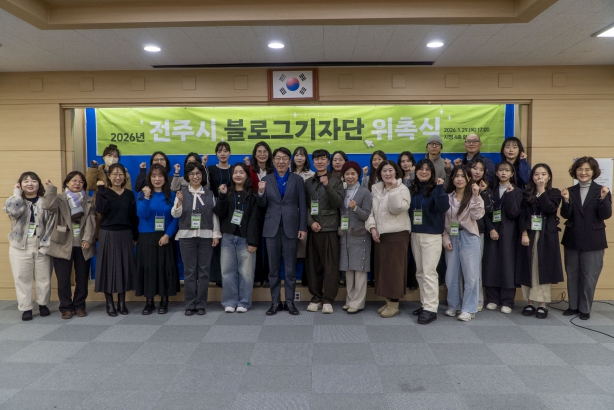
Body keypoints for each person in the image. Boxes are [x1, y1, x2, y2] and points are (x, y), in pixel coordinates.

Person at [257, 147, 307, 316]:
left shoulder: (297, 180)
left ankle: (290, 302)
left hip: (291, 228)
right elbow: (261, 205)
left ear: (289, 161)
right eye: (278, 158)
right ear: (273, 161)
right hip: (271, 229)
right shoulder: (266, 179)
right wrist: (260, 192)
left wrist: (302, 227)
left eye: (284, 158)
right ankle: (275, 302)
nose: (281, 161)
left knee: (291, 268)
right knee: (273, 269)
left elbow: (303, 205)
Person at [560, 156, 612, 320]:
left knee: (589, 276)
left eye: (587, 169)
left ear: (593, 172)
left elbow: (605, 214)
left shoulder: (602, 190)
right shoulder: (570, 190)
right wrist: (566, 201)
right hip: (572, 238)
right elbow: (565, 214)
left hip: (594, 239)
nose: (583, 172)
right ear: (575, 171)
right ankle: (573, 306)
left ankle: (585, 308)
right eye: (580, 169)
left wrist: (603, 198)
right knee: (572, 273)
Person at [43, 172, 96, 319]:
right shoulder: (59, 198)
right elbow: (48, 205)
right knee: (63, 279)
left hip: (83, 245)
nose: (77, 184)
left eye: (81, 182)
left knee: (82, 278)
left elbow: (91, 221)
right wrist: (51, 189)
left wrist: (88, 239)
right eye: (74, 181)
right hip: (62, 243)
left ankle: (79, 306)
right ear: (67, 183)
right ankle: (66, 307)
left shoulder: (88, 200)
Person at [172, 162, 221, 316]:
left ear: (202, 175)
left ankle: (201, 304)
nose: (195, 176)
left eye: (198, 173)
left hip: (206, 236)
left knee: (204, 271)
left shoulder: (209, 194)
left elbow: (214, 216)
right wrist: (180, 202)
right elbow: (175, 214)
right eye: (192, 174)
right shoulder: (181, 193)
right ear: (187, 176)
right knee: (189, 271)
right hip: (186, 237)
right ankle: (189, 304)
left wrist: (215, 234)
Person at [4, 172, 55, 321]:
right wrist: (16, 194)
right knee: (22, 278)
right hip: (20, 246)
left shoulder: (45, 202)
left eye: (33, 181)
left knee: (44, 277)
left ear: (39, 184)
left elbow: (51, 224)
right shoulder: (16, 200)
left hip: (41, 243)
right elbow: (13, 212)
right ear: (20, 185)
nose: (30, 184)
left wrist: (46, 244)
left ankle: (43, 304)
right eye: (26, 181)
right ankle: (26, 308)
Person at [516, 164, 563, 319]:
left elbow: (549, 208)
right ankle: (529, 302)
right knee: (529, 267)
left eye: (543, 174)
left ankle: (542, 304)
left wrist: (542, 190)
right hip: (529, 234)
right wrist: (524, 233)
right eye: (536, 174)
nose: (539, 177)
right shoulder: (526, 193)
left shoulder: (554, 193)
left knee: (543, 269)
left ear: (549, 177)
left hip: (546, 236)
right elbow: (522, 215)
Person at [214, 163, 262, 313]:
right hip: (228, 237)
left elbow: (255, 220)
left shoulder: (253, 195)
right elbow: (219, 213)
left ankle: (244, 302)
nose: (238, 175)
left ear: (247, 175)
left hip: (246, 238)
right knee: (227, 271)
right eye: (235, 172)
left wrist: (253, 241)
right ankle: (229, 302)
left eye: (241, 172)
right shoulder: (227, 193)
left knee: (246, 273)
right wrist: (222, 196)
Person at [365, 160, 411, 318]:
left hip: (397, 235)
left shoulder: (402, 189)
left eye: (391, 170)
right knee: (383, 270)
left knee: (394, 270)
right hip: (380, 234)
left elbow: (397, 208)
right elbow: (370, 211)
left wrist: (393, 189)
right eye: (384, 170)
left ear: (396, 172)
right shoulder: (376, 189)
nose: (387, 173)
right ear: (379, 173)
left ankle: (394, 304)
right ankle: (388, 301)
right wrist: (372, 228)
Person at [95, 163, 139, 317]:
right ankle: (109, 303)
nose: (118, 177)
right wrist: (101, 190)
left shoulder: (129, 194)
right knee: (107, 269)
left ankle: (122, 302)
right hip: (108, 234)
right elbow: (100, 209)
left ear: (124, 176)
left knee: (123, 268)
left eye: (121, 174)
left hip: (125, 234)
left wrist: (135, 235)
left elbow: (133, 217)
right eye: (114, 174)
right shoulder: (103, 192)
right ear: (109, 176)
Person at [409, 159, 449, 324]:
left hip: (431, 236)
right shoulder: (413, 188)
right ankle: (425, 304)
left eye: (427, 169)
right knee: (420, 272)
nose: (424, 172)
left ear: (432, 172)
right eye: (421, 169)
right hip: (415, 234)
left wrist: (440, 188)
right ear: (416, 171)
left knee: (429, 273)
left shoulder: (436, 189)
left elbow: (443, 207)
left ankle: (431, 309)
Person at [136, 164, 179, 315]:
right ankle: (149, 302)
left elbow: (176, 217)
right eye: (154, 176)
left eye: (160, 176)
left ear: (165, 178)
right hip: (146, 237)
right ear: (150, 178)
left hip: (165, 236)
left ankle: (164, 301)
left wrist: (168, 235)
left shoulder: (171, 195)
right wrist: (147, 197)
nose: (157, 179)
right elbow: (142, 214)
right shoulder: (142, 194)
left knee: (164, 269)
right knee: (149, 269)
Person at [443, 166, 485, 322]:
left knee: (471, 275)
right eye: (456, 176)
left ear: (469, 179)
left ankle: (469, 309)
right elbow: (443, 221)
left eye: (463, 176)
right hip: (452, 236)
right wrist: (445, 239)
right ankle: (454, 305)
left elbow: (477, 215)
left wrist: (476, 195)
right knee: (451, 275)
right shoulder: (447, 197)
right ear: (452, 178)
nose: (459, 179)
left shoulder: (474, 196)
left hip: (469, 237)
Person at [305, 149, 344, 314]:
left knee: (330, 267)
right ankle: (316, 297)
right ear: (313, 162)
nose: (320, 162)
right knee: (313, 267)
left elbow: (338, 203)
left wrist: (327, 186)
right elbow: (305, 206)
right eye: (317, 159)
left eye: (323, 159)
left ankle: (328, 299)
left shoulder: (336, 181)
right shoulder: (308, 182)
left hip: (330, 229)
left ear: (328, 162)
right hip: (314, 230)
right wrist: (310, 222)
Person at [482, 161, 523, 314]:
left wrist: (510, 194)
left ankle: (507, 301)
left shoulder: (517, 191)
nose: (503, 173)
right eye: (501, 170)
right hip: (492, 231)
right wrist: (491, 229)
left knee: (507, 265)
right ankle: (492, 299)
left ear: (512, 174)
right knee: (491, 264)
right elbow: (484, 213)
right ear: (496, 173)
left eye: (507, 170)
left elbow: (514, 213)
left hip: (509, 233)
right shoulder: (490, 190)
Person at [338, 161, 372, 314]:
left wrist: (355, 208)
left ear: (358, 175)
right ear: (343, 176)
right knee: (348, 270)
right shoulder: (343, 191)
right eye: (347, 174)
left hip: (360, 235)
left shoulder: (365, 192)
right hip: (345, 236)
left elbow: (366, 215)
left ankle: (358, 302)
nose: (350, 176)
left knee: (359, 270)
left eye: (353, 173)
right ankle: (350, 300)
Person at [467, 158, 494, 311]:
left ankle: (478, 299)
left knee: (476, 268)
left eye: (481, 169)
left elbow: (489, 210)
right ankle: (464, 300)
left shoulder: (485, 189)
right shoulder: (462, 185)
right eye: (474, 168)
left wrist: (483, 192)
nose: (477, 172)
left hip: (478, 231)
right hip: (460, 231)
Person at [247, 141, 274, 288]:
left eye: (265, 151)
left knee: (270, 244)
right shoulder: (249, 169)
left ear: (269, 154)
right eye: (259, 151)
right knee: (255, 243)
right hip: (254, 210)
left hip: (271, 210)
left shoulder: (273, 170)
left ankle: (269, 277)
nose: (262, 154)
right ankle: (257, 276)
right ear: (255, 154)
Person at [207, 142, 232, 288]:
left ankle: (229, 274)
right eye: (220, 151)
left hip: (230, 209)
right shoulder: (211, 169)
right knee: (216, 241)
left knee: (228, 241)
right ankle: (218, 277)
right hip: (215, 207)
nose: (223, 154)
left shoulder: (234, 169)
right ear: (216, 154)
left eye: (226, 151)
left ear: (230, 153)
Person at [291, 146, 314, 287]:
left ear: (306, 158)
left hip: (307, 214)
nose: (299, 158)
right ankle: (291, 280)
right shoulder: (288, 173)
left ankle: (306, 279)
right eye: (297, 155)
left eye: (302, 155)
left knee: (306, 249)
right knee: (290, 249)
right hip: (290, 215)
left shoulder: (312, 175)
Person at [398, 151, 418, 290]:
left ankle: (412, 280)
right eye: (403, 161)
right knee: (403, 252)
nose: (405, 164)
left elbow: (414, 192)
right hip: (400, 217)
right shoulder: (397, 178)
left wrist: (412, 175)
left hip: (415, 216)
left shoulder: (417, 176)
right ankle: (401, 280)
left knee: (415, 251)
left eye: (408, 161)